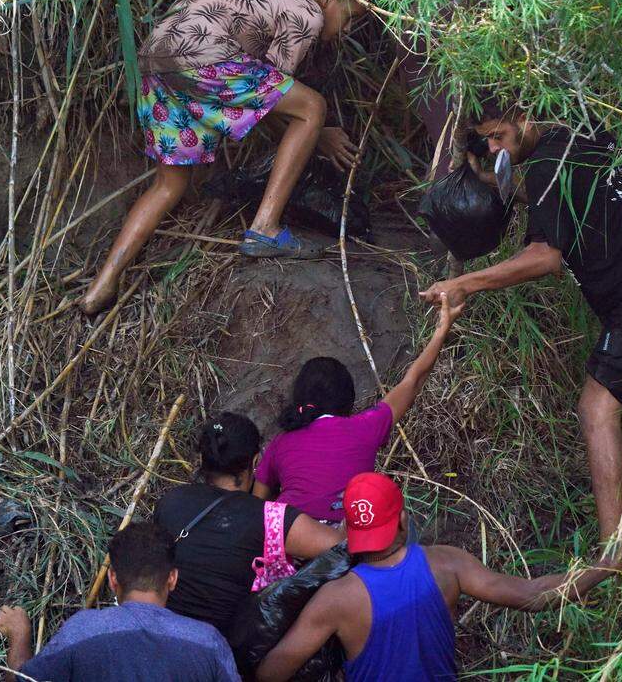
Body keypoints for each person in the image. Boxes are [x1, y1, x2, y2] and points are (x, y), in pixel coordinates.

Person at [419, 106, 622, 596]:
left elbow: (546, 255)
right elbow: (571, 204)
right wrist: (500, 181)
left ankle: (614, 555)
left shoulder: (548, 165)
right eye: (489, 143)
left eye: (501, 136)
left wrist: (465, 282)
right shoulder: (582, 131)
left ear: (522, 112)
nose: (500, 150)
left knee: (597, 407)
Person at [79, 0, 369, 314]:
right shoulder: (306, 11)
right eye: (350, 17)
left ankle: (102, 286)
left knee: (168, 184)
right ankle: (264, 229)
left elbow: (260, 98)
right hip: (203, 55)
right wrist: (318, 131)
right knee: (312, 106)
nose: (347, 30)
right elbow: (271, 96)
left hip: (157, 60)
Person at [255, 473, 581, 682]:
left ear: (349, 532)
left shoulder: (336, 599)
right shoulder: (447, 564)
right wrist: (605, 567)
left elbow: (272, 672)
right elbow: (534, 595)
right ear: (401, 520)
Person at [253, 292, 465, 522]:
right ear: (348, 401)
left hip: (289, 541)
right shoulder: (365, 427)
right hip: (349, 542)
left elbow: (257, 507)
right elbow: (412, 382)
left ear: (299, 399)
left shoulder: (281, 441)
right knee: (404, 525)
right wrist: (442, 329)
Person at [153, 413, 343, 636]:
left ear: (203, 460)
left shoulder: (170, 502)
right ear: (254, 462)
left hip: (164, 636)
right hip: (224, 653)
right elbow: (341, 546)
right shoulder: (271, 519)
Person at [0, 522, 239, 682]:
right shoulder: (209, 643)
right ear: (172, 579)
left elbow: (19, 680)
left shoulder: (82, 631)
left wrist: (19, 635)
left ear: (112, 578)